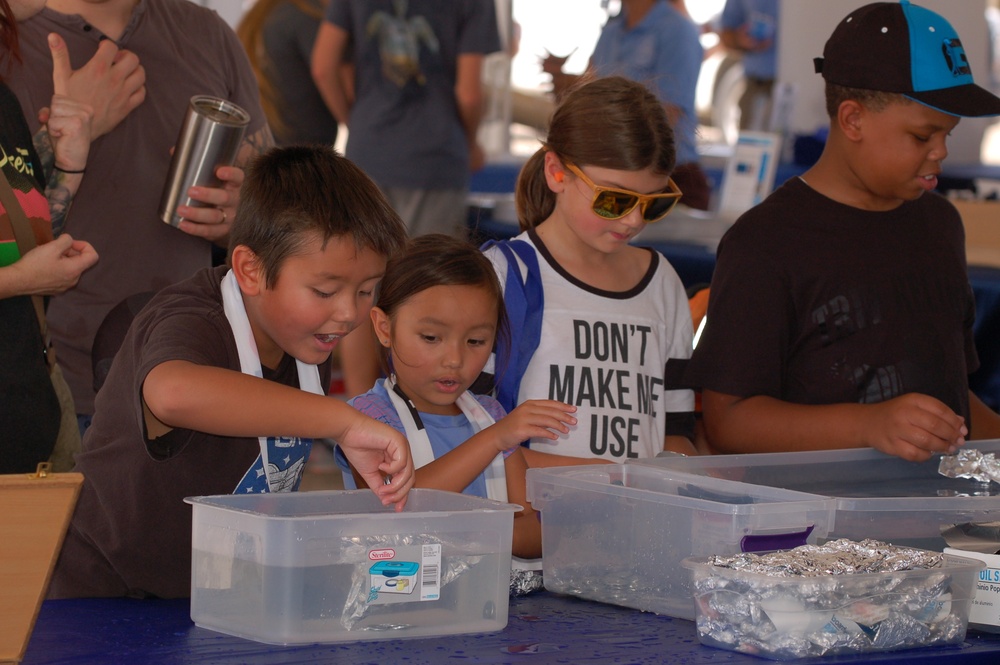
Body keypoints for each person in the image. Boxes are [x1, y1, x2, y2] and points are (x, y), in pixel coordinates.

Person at [47, 145, 414, 599]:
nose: (347, 313)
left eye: (365, 290)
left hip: (205, 596)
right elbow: (172, 394)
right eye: (325, 290)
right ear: (250, 270)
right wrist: (341, 422)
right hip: (98, 597)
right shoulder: (192, 318)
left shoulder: (306, 336)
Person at [686, 1, 1000, 461]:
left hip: (935, 511)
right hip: (815, 520)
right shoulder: (766, 240)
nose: (941, 152)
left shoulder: (940, 224)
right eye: (922, 136)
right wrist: (869, 425)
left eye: (947, 134)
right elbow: (728, 421)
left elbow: (951, 397)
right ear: (853, 119)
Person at [3, 0, 275, 435]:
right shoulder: (11, 40)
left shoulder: (205, 32)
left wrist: (243, 215)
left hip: (195, 374)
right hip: (46, 390)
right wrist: (71, 133)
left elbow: (275, 199)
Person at [479, 76, 698, 462]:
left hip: (637, 517)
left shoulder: (663, 281)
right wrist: (602, 482)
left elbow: (676, 431)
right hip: (535, 517)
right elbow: (467, 438)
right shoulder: (502, 274)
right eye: (614, 199)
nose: (632, 221)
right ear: (556, 172)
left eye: (653, 203)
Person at [341, 234, 582, 558]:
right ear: (384, 328)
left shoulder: (491, 417)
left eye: (476, 341)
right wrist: (494, 440)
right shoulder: (366, 420)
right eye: (431, 337)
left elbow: (533, 534)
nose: (454, 359)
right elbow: (400, 507)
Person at [312, 0, 501, 400]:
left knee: (364, 288)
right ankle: (425, 413)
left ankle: (361, 413)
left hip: (370, 157)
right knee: (431, 292)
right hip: (435, 156)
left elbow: (324, 65)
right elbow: (468, 93)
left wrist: (357, 122)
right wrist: (468, 142)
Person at [1, 0, 142, 472]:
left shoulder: (3, 102)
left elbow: (25, 241)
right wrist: (21, 280)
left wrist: (67, 164)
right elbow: (20, 272)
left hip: (27, 416)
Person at [541, 0, 709, 211]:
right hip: (612, 177)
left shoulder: (678, 31)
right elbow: (590, 96)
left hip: (668, 180)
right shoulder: (611, 32)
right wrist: (566, 88)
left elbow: (666, 117)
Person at [237, 0, 341, 147]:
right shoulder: (309, 16)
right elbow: (326, 73)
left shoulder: (262, 13)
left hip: (263, 142)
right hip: (300, 151)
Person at [719, 0, 779, 131]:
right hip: (755, 85)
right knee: (749, 148)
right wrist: (740, 39)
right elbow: (726, 33)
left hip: (792, 87)